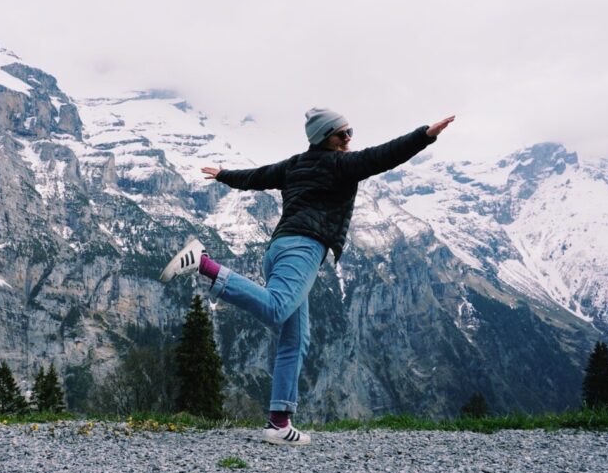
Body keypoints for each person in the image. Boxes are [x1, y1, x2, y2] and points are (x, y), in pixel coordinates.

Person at [160, 108, 455, 445]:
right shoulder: (340, 164)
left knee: (295, 339)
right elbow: (383, 156)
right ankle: (203, 263)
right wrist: (424, 136)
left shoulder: (294, 164)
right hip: (303, 249)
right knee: (276, 308)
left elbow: (256, 176)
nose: (348, 139)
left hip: (279, 250)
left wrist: (225, 174)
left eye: (350, 132)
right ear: (324, 138)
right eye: (341, 134)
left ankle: (279, 424)